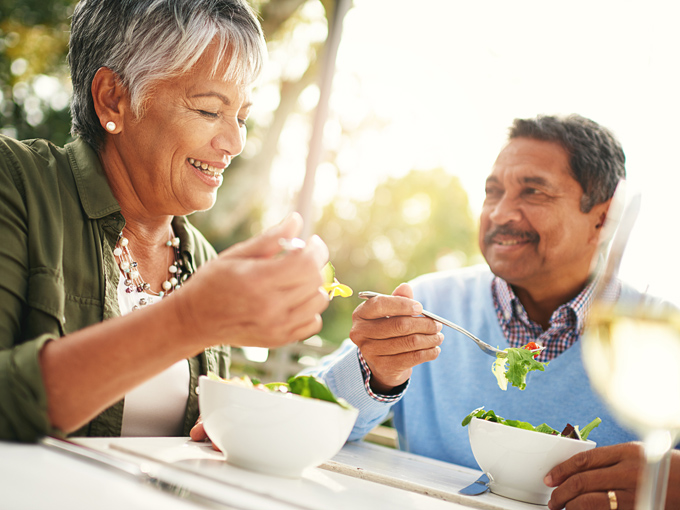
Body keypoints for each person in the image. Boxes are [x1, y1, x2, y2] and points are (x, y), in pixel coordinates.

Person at [306, 114, 679, 510]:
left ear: (602, 218)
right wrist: (376, 375)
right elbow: (302, 409)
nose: (501, 213)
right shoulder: (428, 304)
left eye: (533, 192)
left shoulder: (658, 335)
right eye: (493, 191)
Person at [0, 0, 330, 442]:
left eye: (242, 117)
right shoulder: (16, 183)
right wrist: (189, 319)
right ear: (112, 99)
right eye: (209, 110)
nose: (233, 141)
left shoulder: (205, 261)